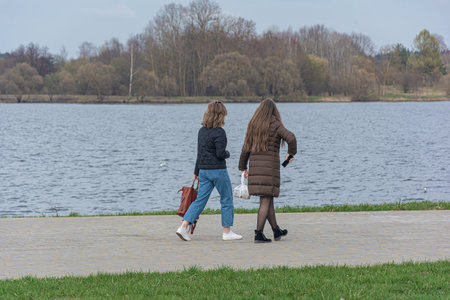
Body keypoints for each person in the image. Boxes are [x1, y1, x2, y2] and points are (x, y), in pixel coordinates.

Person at [176, 100, 242, 241]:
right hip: (218, 171)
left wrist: (196, 172)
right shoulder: (220, 132)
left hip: (203, 170)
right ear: (220, 116)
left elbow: (199, 154)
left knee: (199, 200)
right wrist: (228, 154)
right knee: (226, 198)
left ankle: (183, 226)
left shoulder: (202, 131)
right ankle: (227, 232)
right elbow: (220, 153)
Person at [238, 99, 297, 243]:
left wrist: (243, 167)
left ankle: (276, 230)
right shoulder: (275, 124)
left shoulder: (253, 124)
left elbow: (245, 148)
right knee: (265, 200)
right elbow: (291, 137)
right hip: (269, 169)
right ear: (273, 111)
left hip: (255, 169)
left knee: (267, 199)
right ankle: (258, 233)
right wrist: (291, 154)